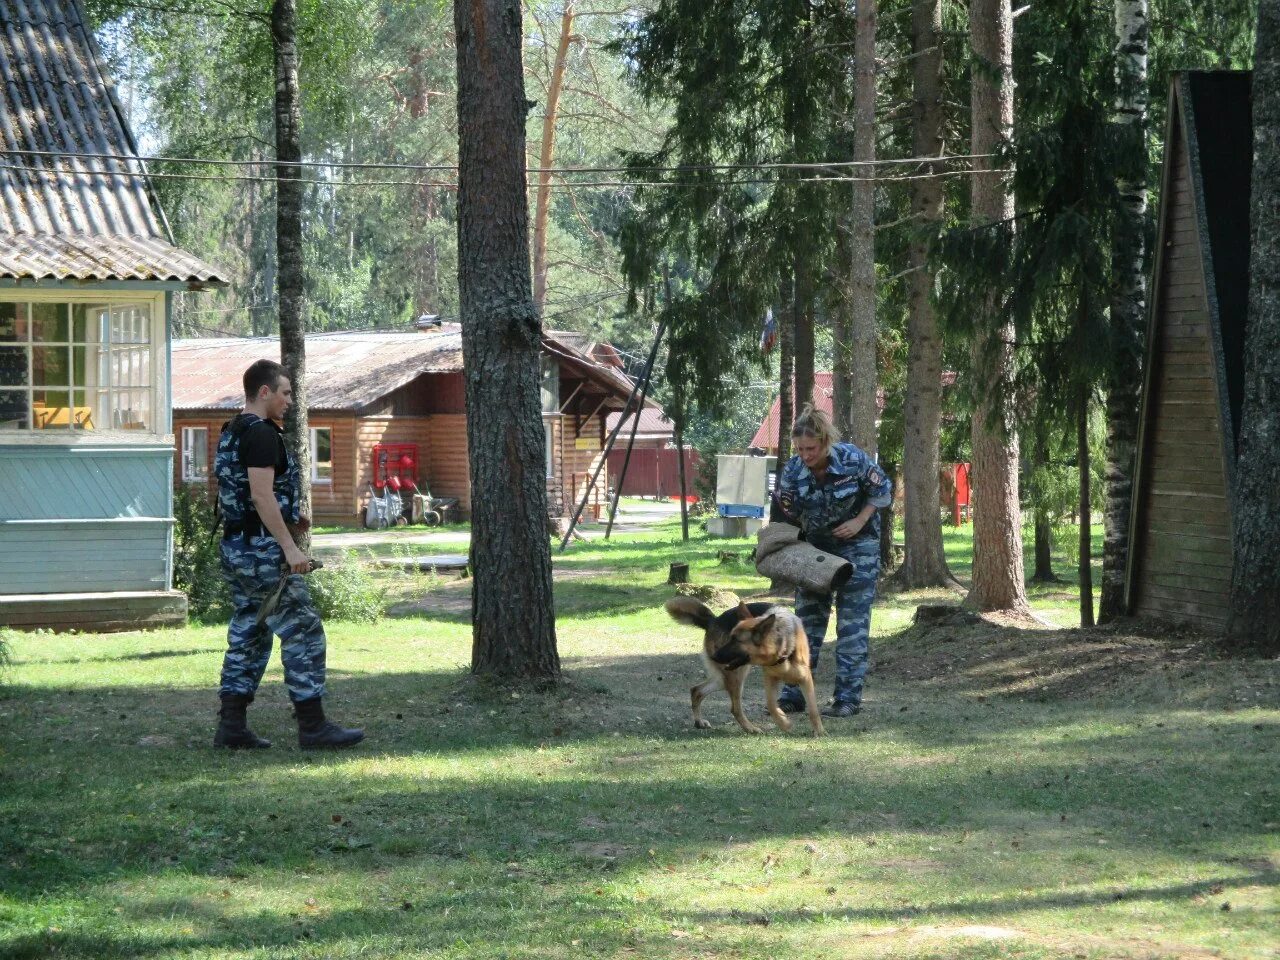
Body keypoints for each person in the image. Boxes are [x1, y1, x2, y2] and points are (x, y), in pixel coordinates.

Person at [213, 359, 364, 750]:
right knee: (303, 628)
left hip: (237, 547)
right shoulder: (262, 434)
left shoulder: (232, 431)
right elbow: (261, 496)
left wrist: (291, 517)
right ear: (264, 392)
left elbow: (242, 495)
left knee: (250, 631)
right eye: (285, 392)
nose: (290, 401)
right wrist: (289, 547)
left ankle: (231, 727)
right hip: (263, 552)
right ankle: (313, 727)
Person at [770, 404, 892, 717]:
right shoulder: (793, 471)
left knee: (852, 626)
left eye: (810, 449)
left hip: (858, 546)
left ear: (825, 442)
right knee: (806, 624)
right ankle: (794, 695)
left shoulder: (852, 459)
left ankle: (847, 700)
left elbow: (883, 489)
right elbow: (787, 512)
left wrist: (859, 520)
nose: (805, 455)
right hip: (817, 552)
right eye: (799, 449)